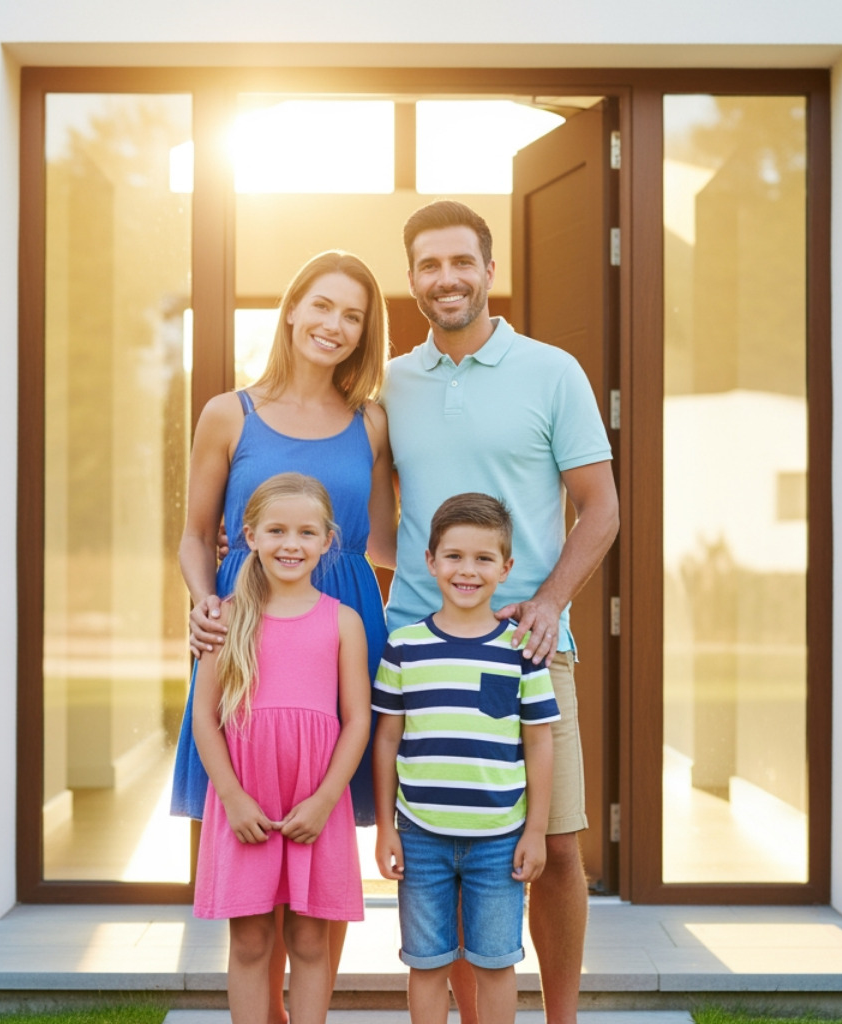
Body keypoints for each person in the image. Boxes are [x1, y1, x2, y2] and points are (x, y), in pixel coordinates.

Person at [383, 200, 618, 1024]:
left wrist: (550, 600)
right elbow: (372, 524)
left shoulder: (552, 372)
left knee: (554, 846)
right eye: (428, 265)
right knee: (441, 847)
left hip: (527, 649)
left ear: (489, 270)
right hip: (419, 654)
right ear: (412, 278)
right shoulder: (392, 382)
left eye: (461, 262)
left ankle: (560, 1020)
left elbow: (601, 507)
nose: (445, 278)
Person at [175, 250, 393, 1022]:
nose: (335, 325)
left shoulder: (373, 421)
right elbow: (195, 534)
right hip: (245, 626)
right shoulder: (228, 413)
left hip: (344, 623)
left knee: (323, 851)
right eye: (323, 305)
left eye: (353, 316)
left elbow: (385, 541)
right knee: (252, 839)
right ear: (292, 308)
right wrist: (206, 603)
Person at [192, 472, 371, 1024]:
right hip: (246, 799)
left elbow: (357, 720)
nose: (291, 544)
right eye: (276, 530)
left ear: (327, 540)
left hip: (315, 800)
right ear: (250, 536)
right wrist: (232, 798)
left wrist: (324, 801)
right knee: (249, 941)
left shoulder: (343, 621)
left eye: (306, 532)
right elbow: (204, 720)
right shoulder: (225, 619)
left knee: (311, 940)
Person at [373, 493, 558, 1024]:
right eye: (453, 556)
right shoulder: (404, 647)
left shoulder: (522, 651)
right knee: (426, 963)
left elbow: (538, 742)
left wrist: (535, 831)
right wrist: (385, 828)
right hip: (420, 835)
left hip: (499, 839)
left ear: (506, 568)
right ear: (430, 561)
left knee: (496, 964)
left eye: (483, 558)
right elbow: (387, 740)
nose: (467, 570)